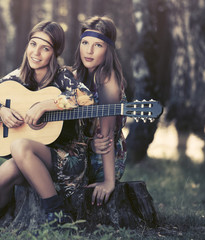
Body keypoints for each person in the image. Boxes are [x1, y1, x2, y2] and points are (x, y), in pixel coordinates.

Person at [0, 21, 95, 236]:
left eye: (45, 48)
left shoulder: (63, 76)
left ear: (55, 52)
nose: (37, 52)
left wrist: (46, 104)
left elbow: (88, 98)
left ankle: (56, 213)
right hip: (32, 157)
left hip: (67, 157)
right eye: (33, 44)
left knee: (20, 146)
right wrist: (0, 111)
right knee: (5, 171)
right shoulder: (18, 77)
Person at [72, 16, 127, 207]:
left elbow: (107, 135)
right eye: (85, 42)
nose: (89, 50)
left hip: (103, 159)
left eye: (98, 45)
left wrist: (109, 181)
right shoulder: (76, 76)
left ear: (108, 50)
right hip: (84, 148)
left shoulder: (106, 77)